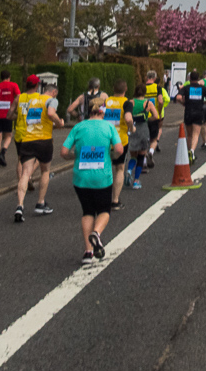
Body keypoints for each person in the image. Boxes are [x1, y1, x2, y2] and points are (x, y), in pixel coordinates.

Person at [61, 98, 122, 265]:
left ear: (88, 110)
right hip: (102, 177)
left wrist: (75, 156)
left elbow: (64, 151)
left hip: (81, 178)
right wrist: (111, 157)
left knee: (87, 211)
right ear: (103, 111)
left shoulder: (78, 127)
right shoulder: (109, 126)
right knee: (104, 210)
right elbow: (119, 149)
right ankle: (96, 233)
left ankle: (88, 252)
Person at [9, 76, 64, 222]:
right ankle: (40, 203)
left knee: (25, 173)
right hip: (44, 140)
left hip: (27, 139)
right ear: (53, 92)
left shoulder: (32, 101)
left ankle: (19, 206)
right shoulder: (51, 100)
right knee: (45, 171)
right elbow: (51, 113)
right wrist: (60, 123)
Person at [103, 79, 133, 210]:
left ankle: (102, 198)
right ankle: (115, 201)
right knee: (120, 169)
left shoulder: (106, 102)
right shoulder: (127, 103)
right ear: (125, 89)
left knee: (105, 168)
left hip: (104, 139)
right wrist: (131, 128)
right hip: (120, 140)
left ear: (113, 89)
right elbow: (128, 118)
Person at [175, 71, 206, 163]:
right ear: (198, 78)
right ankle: (192, 151)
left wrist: (183, 103)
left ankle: (188, 152)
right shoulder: (203, 88)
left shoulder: (186, 88)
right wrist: (203, 103)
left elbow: (178, 97)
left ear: (190, 78)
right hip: (198, 112)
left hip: (188, 112)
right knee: (196, 134)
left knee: (189, 135)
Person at [127, 85, 159, 189]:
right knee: (141, 156)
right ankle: (136, 181)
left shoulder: (131, 102)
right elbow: (156, 116)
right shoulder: (148, 103)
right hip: (143, 130)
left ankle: (129, 170)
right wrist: (147, 119)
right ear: (144, 93)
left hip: (132, 129)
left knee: (133, 156)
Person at [0, 69, 20, 168]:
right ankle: (3, 152)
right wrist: (14, 107)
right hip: (8, 115)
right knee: (8, 136)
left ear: (1, 77)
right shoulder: (13, 85)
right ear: (9, 77)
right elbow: (18, 97)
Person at [144, 70, 163, 167]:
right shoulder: (157, 88)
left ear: (146, 77)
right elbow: (160, 101)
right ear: (154, 78)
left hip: (143, 116)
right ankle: (151, 152)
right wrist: (159, 112)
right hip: (153, 117)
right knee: (154, 138)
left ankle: (142, 161)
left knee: (144, 139)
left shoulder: (142, 88)